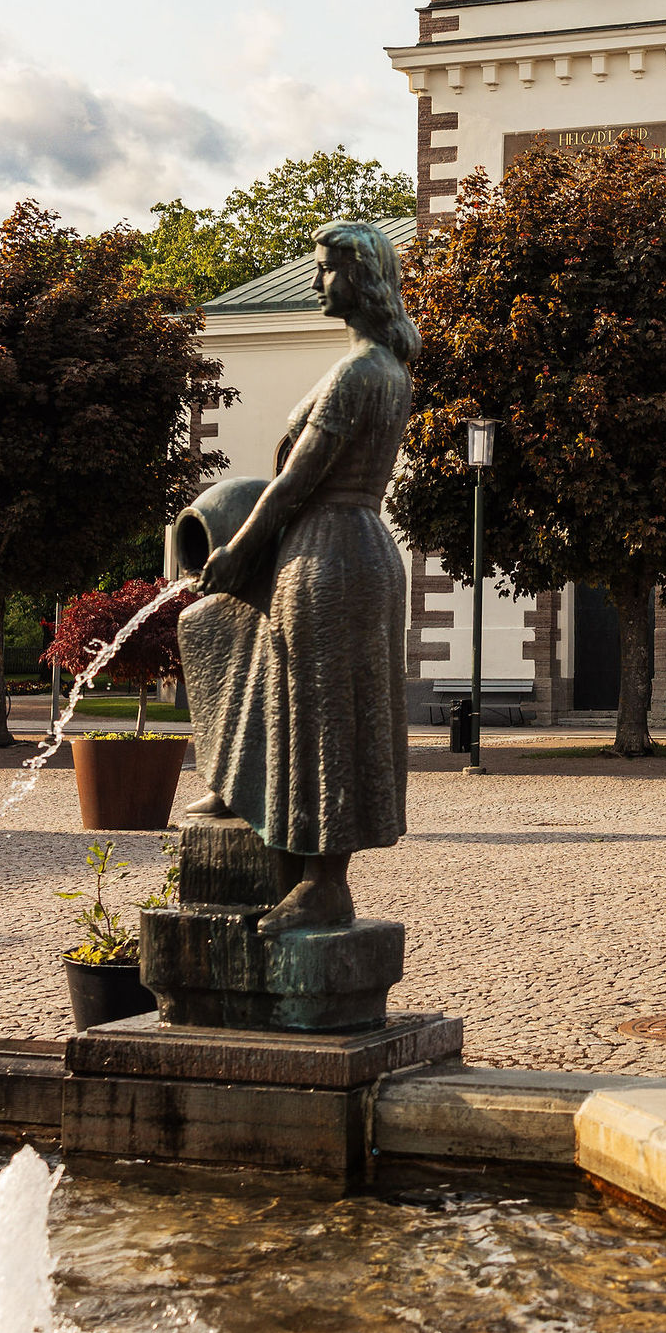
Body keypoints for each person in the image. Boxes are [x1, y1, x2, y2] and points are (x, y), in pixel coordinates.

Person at [178, 219, 417, 935]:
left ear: (362, 277)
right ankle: (236, 781)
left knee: (323, 715)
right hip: (351, 548)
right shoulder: (385, 367)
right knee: (241, 648)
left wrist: (235, 553)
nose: (317, 282)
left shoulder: (359, 372)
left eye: (327, 270)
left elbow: (292, 484)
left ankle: (324, 883)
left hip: (328, 550)